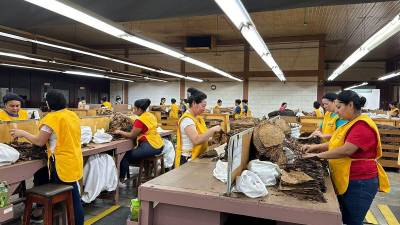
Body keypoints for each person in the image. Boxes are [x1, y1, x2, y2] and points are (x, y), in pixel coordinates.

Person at [302, 90, 390, 225]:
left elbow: (346, 150)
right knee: (346, 218)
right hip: (349, 178)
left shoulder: (362, 125)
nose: (336, 112)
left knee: (353, 221)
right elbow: (335, 143)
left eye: (339, 107)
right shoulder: (349, 123)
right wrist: (314, 147)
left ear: (350, 105)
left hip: (360, 181)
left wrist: (317, 156)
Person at [10, 90, 84, 225]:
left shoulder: (51, 118)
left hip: (61, 163)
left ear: (49, 103)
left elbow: (39, 141)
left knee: (71, 198)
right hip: (74, 159)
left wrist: (22, 133)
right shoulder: (71, 115)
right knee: (74, 195)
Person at [116, 99, 164, 184]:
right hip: (158, 144)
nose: (133, 111)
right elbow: (137, 122)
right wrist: (126, 117)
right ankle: (147, 173)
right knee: (134, 154)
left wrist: (120, 132)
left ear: (139, 109)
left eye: (134, 109)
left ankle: (121, 180)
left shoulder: (140, 120)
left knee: (126, 156)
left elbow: (132, 135)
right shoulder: (149, 115)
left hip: (151, 145)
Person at [175, 88, 221, 167]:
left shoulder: (198, 118)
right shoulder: (187, 120)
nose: (204, 109)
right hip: (188, 159)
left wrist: (212, 140)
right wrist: (212, 130)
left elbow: (203, 136)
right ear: (194, 103)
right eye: (203, 106)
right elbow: (196, 140)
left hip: (198, 155)